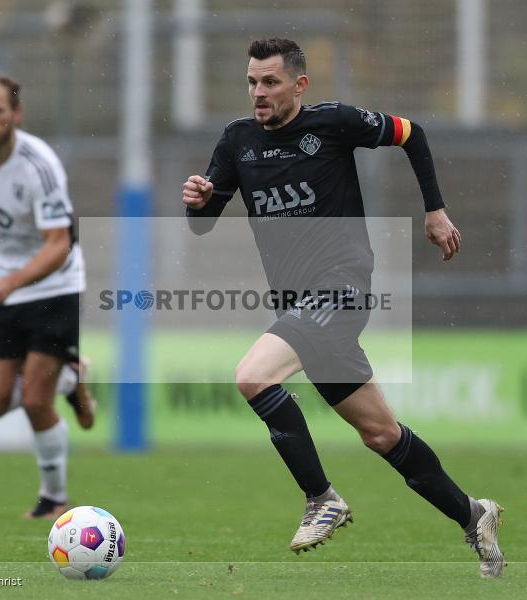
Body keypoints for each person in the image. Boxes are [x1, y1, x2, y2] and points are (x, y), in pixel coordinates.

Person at [182, 38, 504, 578]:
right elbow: (202, 221)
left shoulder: (334, 123)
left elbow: (412, 133)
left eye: (270, 82)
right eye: (252, 82)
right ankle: (475, 515)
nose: (258, 93)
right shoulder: (237, 141)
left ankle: (321, 498)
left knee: (252, 378)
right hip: (299, 306)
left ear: (299, 85)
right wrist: (196, 199)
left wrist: (435, 211)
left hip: (341, 288)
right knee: (381, 433)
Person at [0, 72, 96, 519]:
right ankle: (71, 377)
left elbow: (59, 243)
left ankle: (54, 498)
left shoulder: (39, 165)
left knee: (34, 401)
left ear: (16, 114)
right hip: (3, 287)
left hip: (55, 288)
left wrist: (7, 283)